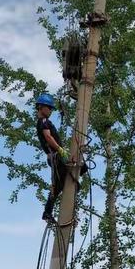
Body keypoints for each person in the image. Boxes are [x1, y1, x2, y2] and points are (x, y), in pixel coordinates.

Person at [35, 93, 87, 221]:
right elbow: (48, 137)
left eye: (51, 108)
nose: (51, 110)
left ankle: (47, 213)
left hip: (56, 157)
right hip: (56, 157)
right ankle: (49, 213)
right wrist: (60, 150)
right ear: (41, 107)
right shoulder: (43, 121)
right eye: (49, 107)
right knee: (79, 170)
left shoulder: (44, 121)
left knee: (62, 186)